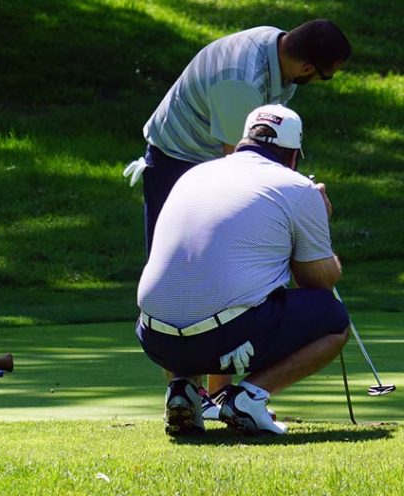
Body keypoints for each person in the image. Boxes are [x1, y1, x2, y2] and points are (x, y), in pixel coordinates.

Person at [124, 18, 351, 408]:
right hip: (177, 160)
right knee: (193, 274)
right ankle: (206, 398)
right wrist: (299, 209)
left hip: (209, 161)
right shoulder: (240, 82)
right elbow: (241, 168)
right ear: (308, 68)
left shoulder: (273, 50)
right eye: (323, 77)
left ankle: (202, 398)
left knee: (224, 270)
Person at [136, 104, 349, 437]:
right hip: (222, 337)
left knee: (190, 293)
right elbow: (318, 280)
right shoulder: (297, 187)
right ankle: (249, 398)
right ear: (293, 155)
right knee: (333, 319)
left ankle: (184, 390)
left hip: (154, 337)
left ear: (243, 142)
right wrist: (320, 220)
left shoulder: (195, 174)